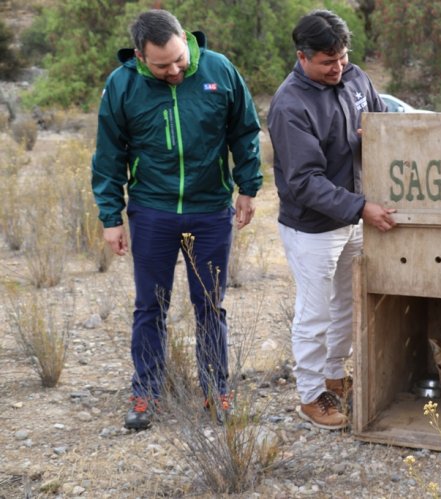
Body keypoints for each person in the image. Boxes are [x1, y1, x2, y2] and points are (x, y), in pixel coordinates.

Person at [91, 9, 262, 430]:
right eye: (162, 65)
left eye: (179, 59)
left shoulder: (219, 70)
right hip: (153, 210)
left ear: (185, 39)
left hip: (210, 210)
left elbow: (244, 131)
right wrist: (111, 217)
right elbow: (109, 155)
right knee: (150, 306)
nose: (175, 70)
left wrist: (249, 187)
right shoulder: (123, 84)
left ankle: (214, 389)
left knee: (209, 305)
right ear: (139, 56)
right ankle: (146, 392)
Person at [267, 9, 396, 430]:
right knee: (316, 312)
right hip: (313, 228)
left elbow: (382, 124)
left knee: (347, 306)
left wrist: (377, 135)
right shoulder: (290, 105)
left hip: (356, 218)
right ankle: (310, 397)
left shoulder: (356, 78)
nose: (338, 67)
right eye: (327, 62)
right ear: (302, 57)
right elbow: (303, 181)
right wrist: (361, 208)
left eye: (342, 57)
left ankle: (335, 378)